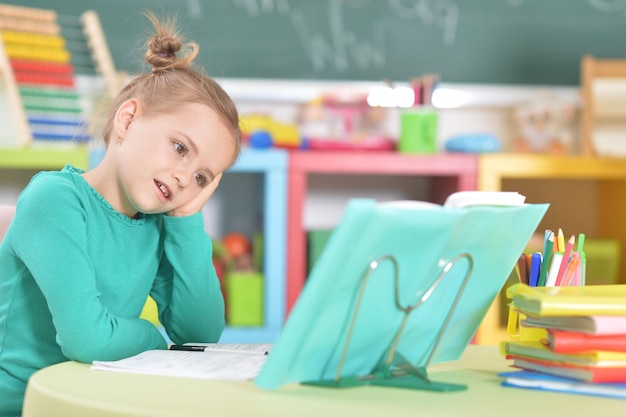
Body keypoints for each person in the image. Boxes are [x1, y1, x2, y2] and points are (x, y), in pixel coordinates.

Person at [0, 12, 241, 416]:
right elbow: (87, 340)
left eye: (202, 176)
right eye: (180, 148)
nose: (185, 178)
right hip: (20, 404)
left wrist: (186, 220)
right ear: (128, 120)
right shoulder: (55, 199)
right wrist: (150, 338)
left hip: (92, 399)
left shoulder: (157, 225)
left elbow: (201, 335)